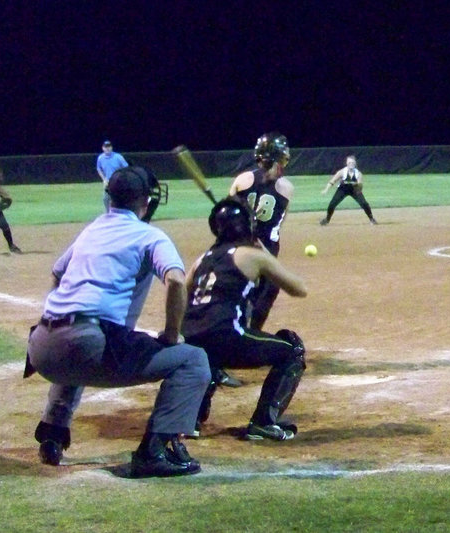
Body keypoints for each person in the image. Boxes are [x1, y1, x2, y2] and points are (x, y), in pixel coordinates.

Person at [25, 166, 210, 478]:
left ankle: (52, 435)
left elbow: (57, 273)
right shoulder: (149, 235)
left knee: (83, 345)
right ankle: (154, 452)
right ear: (145, 202)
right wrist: (171, 334)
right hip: (86, 345)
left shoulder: (93, 229)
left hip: (41, 347)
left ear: (109, 198)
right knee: (194, 360)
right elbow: (177, 281)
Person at [182, 197, 308, 440]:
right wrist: (264, 255)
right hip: (227, 337)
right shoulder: (252, 255)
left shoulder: (202, 260)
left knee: (208, 349)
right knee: (291, 348)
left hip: (190, 342)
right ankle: (264, 422)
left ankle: (191, 420)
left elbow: (182, 294)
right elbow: (298, 289)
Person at [228, 132, 293, 331]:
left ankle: (235, 327)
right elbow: (278, 223)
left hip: (238, 245)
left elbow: (227, 214)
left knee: (238, 289)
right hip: (267, 250)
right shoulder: (286, 188)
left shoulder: (242, 179)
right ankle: (253, 333)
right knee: (269, 289)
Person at [319, 155, 377, 225]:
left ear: (355, 164)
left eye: (352, 163)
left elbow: (359, 184)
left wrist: (359, 190)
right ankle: (327, 220)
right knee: (332, 204)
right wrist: (326, 190)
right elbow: (332, 181)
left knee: (364, 203)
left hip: (354, 190)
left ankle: (371, 219)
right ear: (346, 163)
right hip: (343, 189)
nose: (351, 164)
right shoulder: (342, 172)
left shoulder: (358, 173)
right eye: (349, 162)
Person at [96, 139, 129, 211]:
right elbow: (99, 169)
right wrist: (104, 179)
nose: (107, 148)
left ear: (111, 147)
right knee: (106, 199)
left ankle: (123, 214)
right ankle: (108, 214)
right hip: (108, 181)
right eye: (106, 147)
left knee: (120, 199)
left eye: (109, 146)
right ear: (103, 148)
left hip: (119, 181)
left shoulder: (118, 157)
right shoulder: (100, 158)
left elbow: (126, 168)